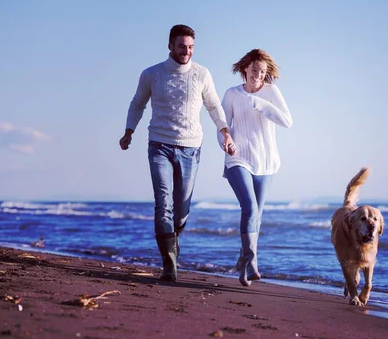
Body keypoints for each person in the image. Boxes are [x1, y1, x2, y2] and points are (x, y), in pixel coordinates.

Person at [119, 24, 234, 282]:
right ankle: (169, 263)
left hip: (191, 147)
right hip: (159, 144)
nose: (187, 51)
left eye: (191, 47)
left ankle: (174, 240)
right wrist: (129, 131)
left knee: (181, 209)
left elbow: (213, 105)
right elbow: (137, 104)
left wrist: (224, 130)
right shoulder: (152, 74)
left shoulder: (202, 74)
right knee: (163, 204)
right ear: (170, 46)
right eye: (182, 46)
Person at [219, 49, 292, 286]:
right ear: (245, 69)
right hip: (238, 158)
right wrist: (225, 142)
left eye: (262, 72)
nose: (258, 75)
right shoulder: (231, 94)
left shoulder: (271, 92)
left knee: (255, 216)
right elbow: (222, 125)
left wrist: (261, 104)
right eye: (254, 70)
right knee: (250, 208)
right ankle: (252, 261)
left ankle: (243, 265)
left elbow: (287, 122)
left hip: (266, 161)